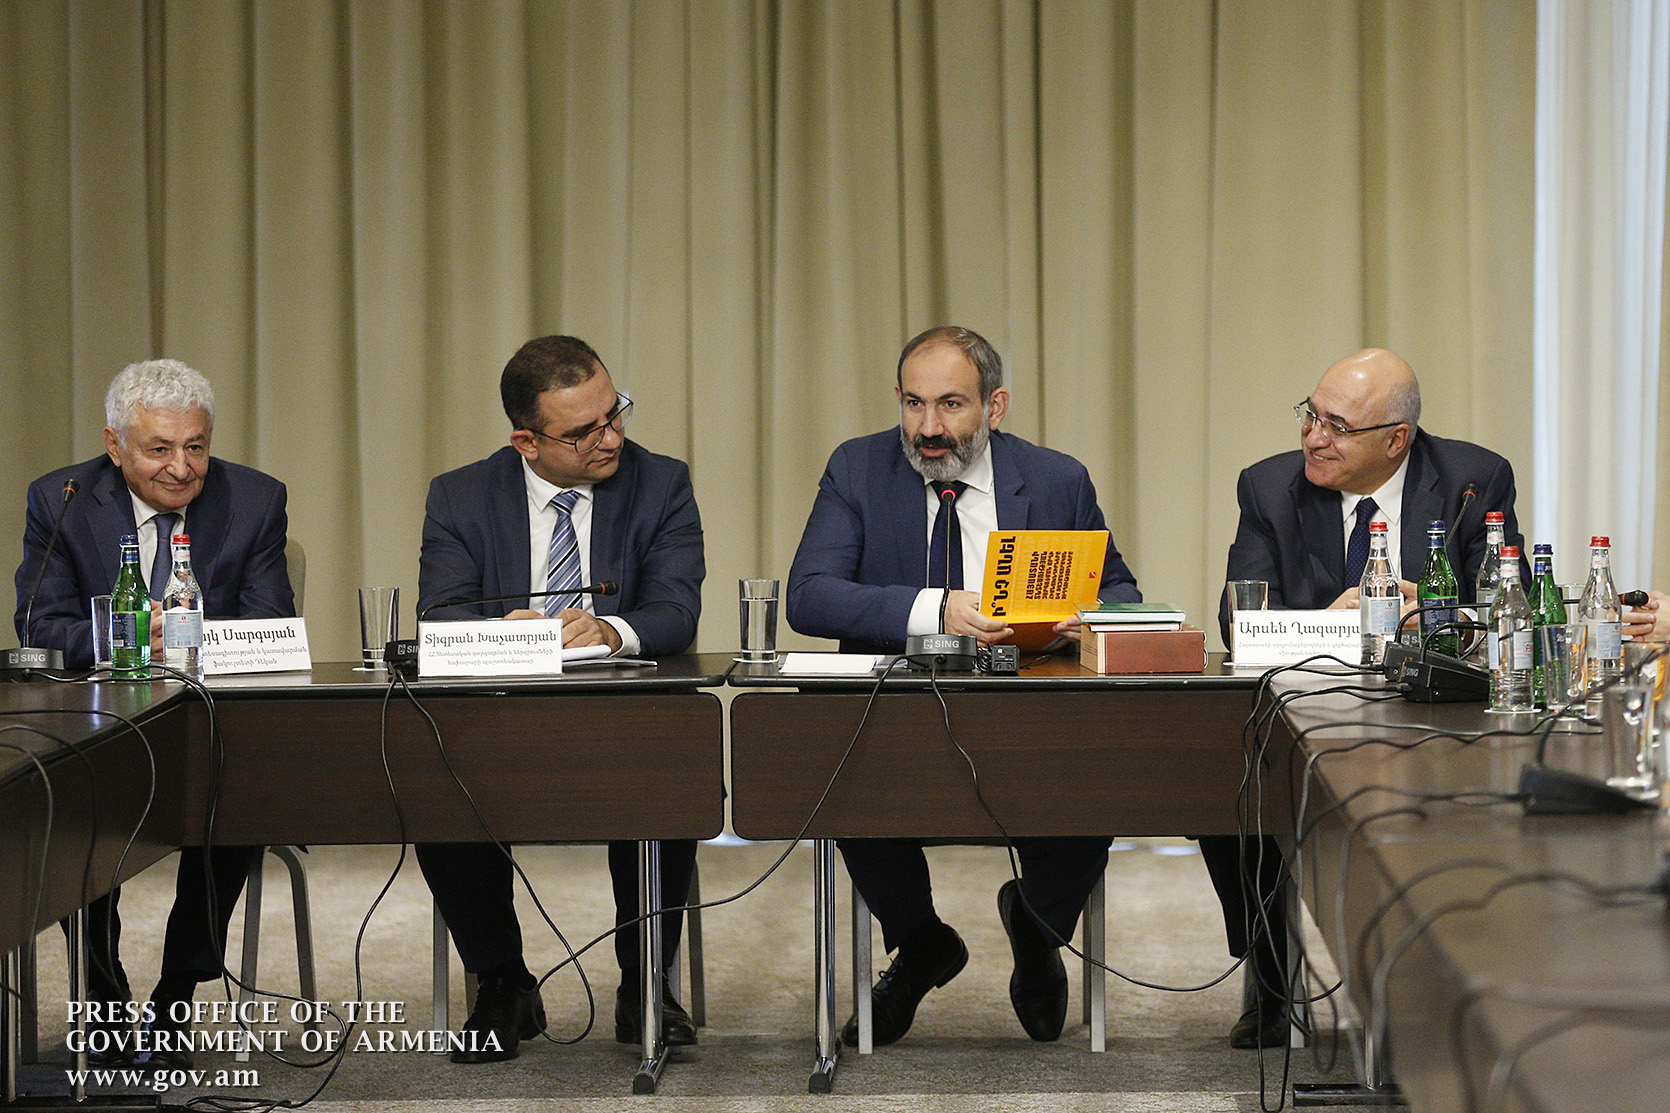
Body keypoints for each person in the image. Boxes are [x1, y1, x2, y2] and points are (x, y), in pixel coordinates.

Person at [785, 325, 1140, 1047]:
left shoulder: (1055, 480)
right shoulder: (857, 469)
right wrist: (934, 607)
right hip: (895, 714)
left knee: (1098, 773)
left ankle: (1037, 927)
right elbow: (809, 595)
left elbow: (1123, 593)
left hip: (1029, 711)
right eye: (913, 404)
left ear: (994, 407)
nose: (928, 427)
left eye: (950, 405)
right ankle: (922, 944)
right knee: (836, 763)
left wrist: (1088, 618)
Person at [1214, 347, 1526, 1047]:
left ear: (1396, 439)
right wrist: (1329, 620)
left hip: (1430, 712)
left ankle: (1431, 977)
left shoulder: (1473, 481)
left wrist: (1436, 612)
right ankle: (1269, 967)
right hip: (1301, 704)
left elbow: (1508, 611)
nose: (1313, 437)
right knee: (1226, 776)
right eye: (1311, 415)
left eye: (1337, 426)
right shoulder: (1268, 487)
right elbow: (1240, 620)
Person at [416, 334, 704, 1063]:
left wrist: (608, 630)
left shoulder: (661, 483)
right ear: (527, 441)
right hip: (500, 720)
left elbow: (676, 612)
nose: (610, 438)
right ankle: (502, 982)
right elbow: (441, 616)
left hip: (624, 720)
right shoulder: (460, 496)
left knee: (674, 769)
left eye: (615, 413)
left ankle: (644, 982)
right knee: (434, 779)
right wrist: (501, 633)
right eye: (583, 432)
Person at [13, 358, 295, 1069]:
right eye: (159, 448)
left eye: (195, 447)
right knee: (63, 805)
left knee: (234, 804)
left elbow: (268, 624)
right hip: (102, 722)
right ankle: (104, 994)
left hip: (211, 724)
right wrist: (133, 636)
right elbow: (40, 629)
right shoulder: (62, 498)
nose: (181, 468)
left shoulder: (255, 499)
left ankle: (177, 995)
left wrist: (199, 638)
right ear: (115, 446)